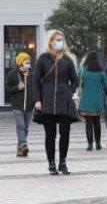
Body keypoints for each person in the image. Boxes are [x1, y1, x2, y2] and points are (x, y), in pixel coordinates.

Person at [32, 30, 78, 175]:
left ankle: (62, 162)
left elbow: (75, 79)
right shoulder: (43, 58)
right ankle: (51, 163)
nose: (60, 42)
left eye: (61, 40)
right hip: (48, 100)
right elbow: (35, 80)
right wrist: (38, 100)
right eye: (57, 40)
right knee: (50, 134)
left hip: (64, 100)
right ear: (51, 42)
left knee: (65, 133)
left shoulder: (67, 59)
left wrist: (70, 92)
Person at [77, 50, 107, 152]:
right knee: (97, 122)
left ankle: (90, 144)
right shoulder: (101, 71)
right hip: (97, 99)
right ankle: (98, 144)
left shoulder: (83, 69)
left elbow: (76, 81)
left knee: (88, 123)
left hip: (86, 99)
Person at [5, 52, 35, 157]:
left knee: (25, 128)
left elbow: (37, 88)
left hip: (29, 106)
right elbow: (7, 89)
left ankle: (20, 148)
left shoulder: (33, 74)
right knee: (21, 125)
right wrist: (17, 88)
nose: (28, 61)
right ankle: (23, 144)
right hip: (17, 105)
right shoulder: (12, 74)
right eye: (25, 59)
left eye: (28, 59)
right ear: (20, 62)